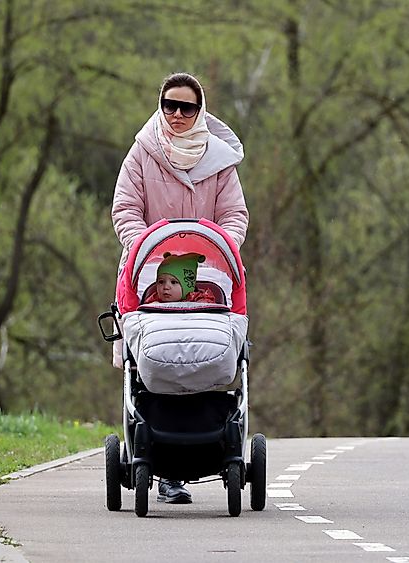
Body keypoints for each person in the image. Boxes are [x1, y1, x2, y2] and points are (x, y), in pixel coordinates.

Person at [111, 72, 249, 505]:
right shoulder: (142, 153)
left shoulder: (219, 162)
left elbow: (235, 216)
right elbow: (125, 209)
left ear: (200, 111)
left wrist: (215, 251)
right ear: (160, 105)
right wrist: (147, 252)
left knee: (205, 365)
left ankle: (213, 443)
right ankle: (160, 461)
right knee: (155, 366)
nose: (176, 114)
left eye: (186, 107)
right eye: (169, 105)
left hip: (206, 282)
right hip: (153, 280)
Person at [143, 253, 216, 304]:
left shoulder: (199, 299)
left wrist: (201, 306)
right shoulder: (154, 299)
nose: (166, 287)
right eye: (161, 282)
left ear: (187, 287)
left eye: (173, 282)